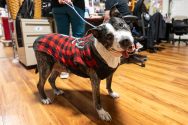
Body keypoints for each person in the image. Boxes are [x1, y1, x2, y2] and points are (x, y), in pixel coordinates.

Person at [51, 0, 85, 78]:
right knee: (77, 38)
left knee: (63, 38)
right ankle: (78, 66)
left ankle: (64, 68)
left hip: (59, 5)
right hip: (76, 5)